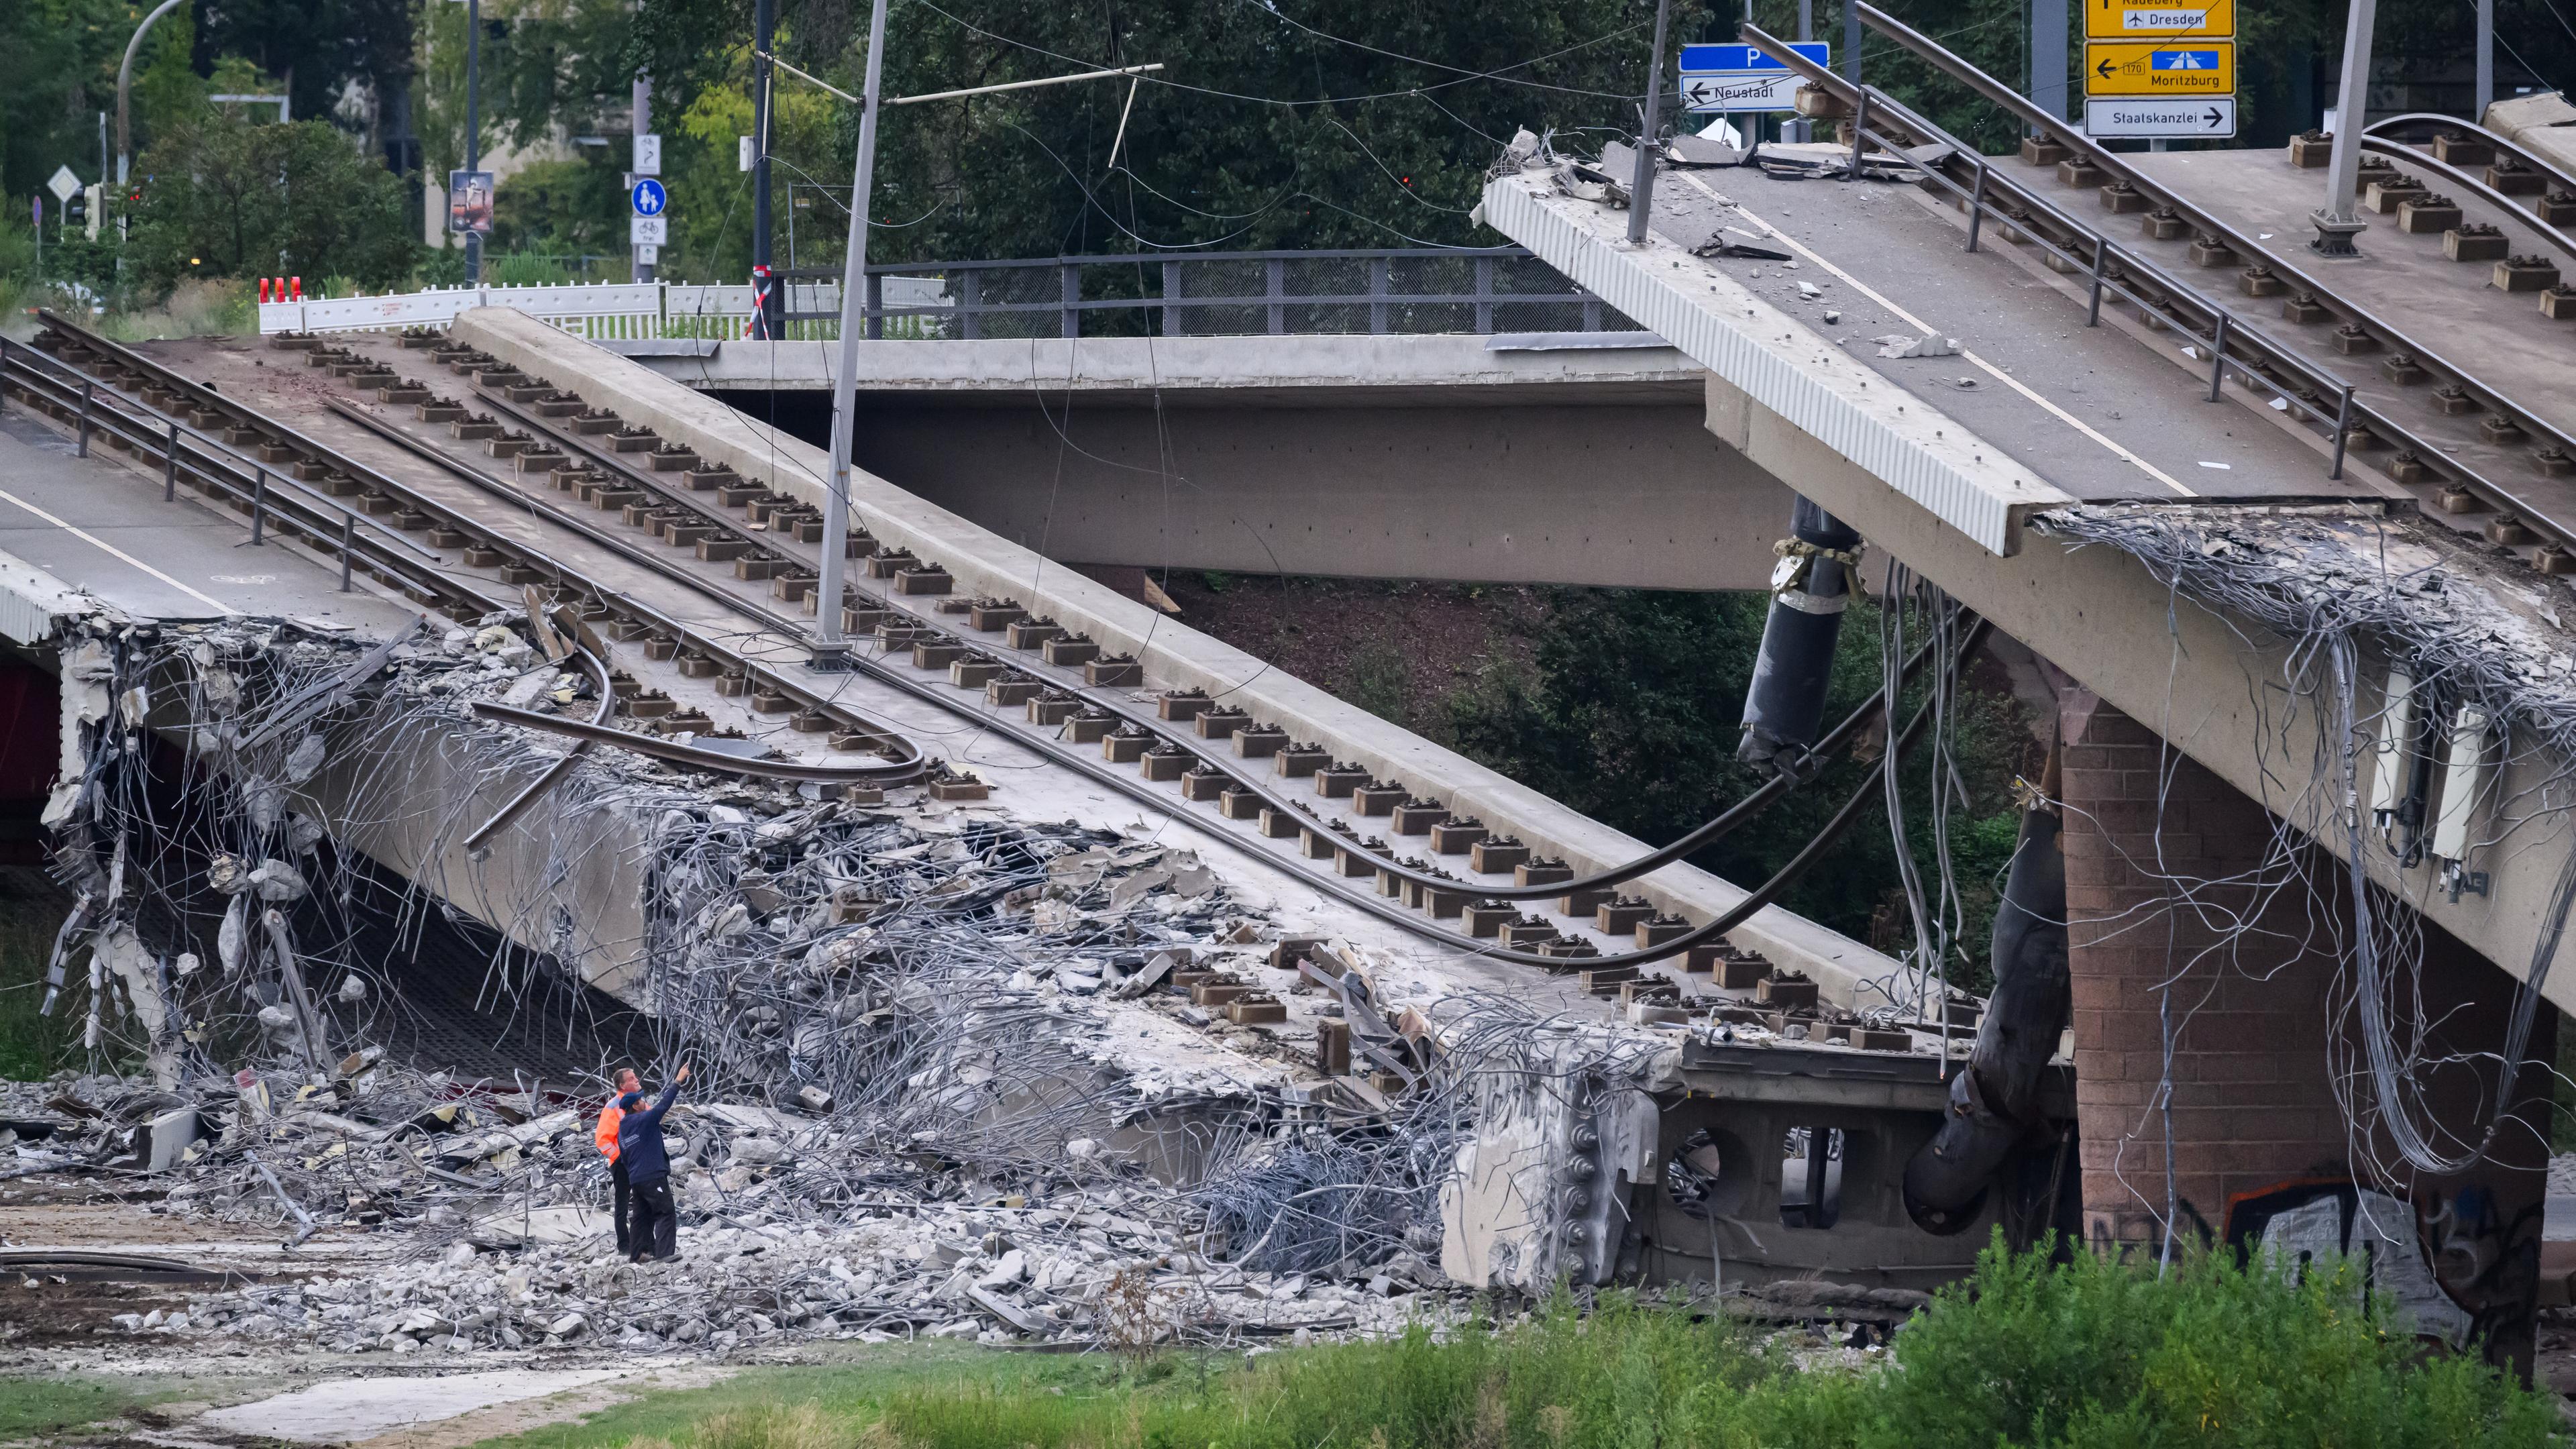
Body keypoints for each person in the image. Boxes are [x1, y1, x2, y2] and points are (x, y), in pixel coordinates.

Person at [615, 1062, 690, 1263]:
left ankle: (637, 1255)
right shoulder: (644, 1119)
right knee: (665, 1211)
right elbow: (664, 1105)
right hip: (652, 1176)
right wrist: (678, 1080)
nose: (644, 1101)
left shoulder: (623, 1129)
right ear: (634, 1106)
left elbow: (624, 1158)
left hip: (636, 1179)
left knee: (641, 1217)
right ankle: (665, 1254)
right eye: (641, 1100)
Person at [594, 1068, 641, 1255]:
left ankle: (642, 1242)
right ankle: (624, 1246)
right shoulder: (613, 1107)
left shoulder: (640, 1102)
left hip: (637, 1161)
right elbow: (602, 1139)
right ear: (623, 1085)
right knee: (622, 1204)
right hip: (622, 1163)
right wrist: (620, 1157)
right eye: (632, 1078)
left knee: (642, 1202)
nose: (637, 1080)